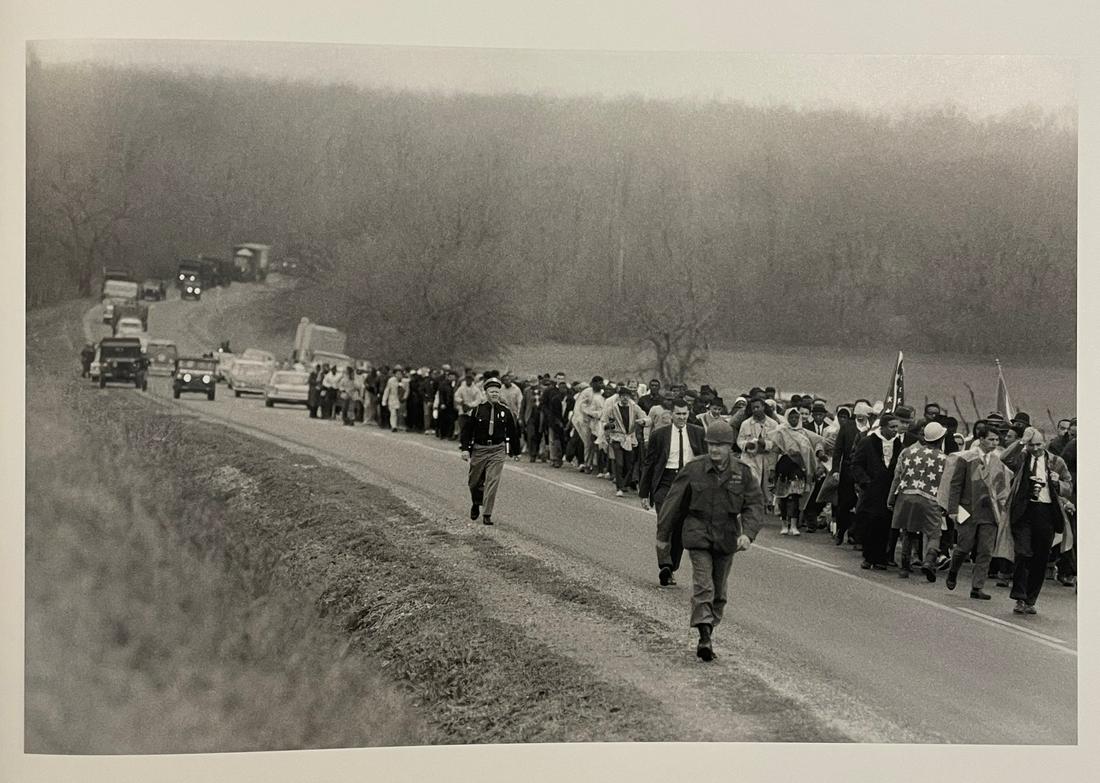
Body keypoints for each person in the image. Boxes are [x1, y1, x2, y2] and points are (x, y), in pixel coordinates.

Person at [656, 420, 765, 661]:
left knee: (719, 591)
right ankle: (704, 637)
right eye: (711, 445)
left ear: (730, 447)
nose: (715, 450)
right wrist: (663, 537)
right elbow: (673, 504)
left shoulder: (742, 473)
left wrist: (748, 534)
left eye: (720, 445)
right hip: (697, 531)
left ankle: (710, 626)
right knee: (703, 585)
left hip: (727, 535)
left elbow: (754, 505)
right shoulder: (693, 469)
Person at [1000, 427, 1074, 615]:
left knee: (1040, 558)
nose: (1035, 448)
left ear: (1045, 442)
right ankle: (1019, 596)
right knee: (1023, 553)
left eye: (1039, 444)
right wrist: (1021, 441)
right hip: (1024, 511)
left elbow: (1068, 486)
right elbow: (1004, 458)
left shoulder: (1056, 462)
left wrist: (1058, 483)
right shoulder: (1022, 458)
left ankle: (1031, 599)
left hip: (1046, 512)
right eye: (1032, 445)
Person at [639, 400, 706, 587]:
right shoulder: (659, 435)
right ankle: (665, 564)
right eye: (678, 414)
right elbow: (649, 463)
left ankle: (672, 567)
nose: (682, 417)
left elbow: (706, 462)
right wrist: (644, 493)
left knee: (681, 528)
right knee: (665, 523)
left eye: (685, 414)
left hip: (689, 483)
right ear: (671, 415)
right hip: (665, 483)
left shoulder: (698, 433)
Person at [943, 423, 1011, 599]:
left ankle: (977, 587)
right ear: (980, 439)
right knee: (964, 546)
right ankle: (953, 569)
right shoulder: (966, 458)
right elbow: (956, 484)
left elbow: (1001, 486)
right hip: (968, 508)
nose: (994, 443)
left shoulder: (997, 460)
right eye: (990, 439)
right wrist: (953, 508)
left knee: (985, 550)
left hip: (989, 512)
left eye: (997, 440)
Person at [888, 422, 951, 581]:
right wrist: (946, 504)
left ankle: (904, 567)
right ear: (940, 438)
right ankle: (929, 561)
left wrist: (891, 498)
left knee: (908, 530)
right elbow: (947, 484)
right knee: (934, 534)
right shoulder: (944, 459)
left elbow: (897, 476)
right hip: (930, 498)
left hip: (906, 495)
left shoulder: (907, 452)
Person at [460, 377, 522, 526]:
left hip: (497, 450)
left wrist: (516, 451)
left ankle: (487, 513)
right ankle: (476, 502)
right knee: (474, 482)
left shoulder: (505, 411)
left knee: (492, 481)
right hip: (479, 449)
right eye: (491, 391)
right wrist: (465, 449)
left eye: (497, 391)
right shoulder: (476, 411)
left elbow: (513, 432)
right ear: (486, 392)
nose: (494, 394)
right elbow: (466, 432)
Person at [851, 411, 901, 570]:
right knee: (870, 521)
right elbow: (856, 463)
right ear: (883, 427)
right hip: (872, 490)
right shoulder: (868, 442)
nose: (895, 430)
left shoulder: (899, 445)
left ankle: (881, 557)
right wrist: (865, 481)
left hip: (889, 490)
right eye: (892, 427)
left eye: (897, 427)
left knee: (885, 524)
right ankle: (868, 555)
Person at [770, 406, 828, 535]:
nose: (794, 419)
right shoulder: (781, 432)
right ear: (787, 417)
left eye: (797, 417)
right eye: (791, 417)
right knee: (783, 496)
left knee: (795, 496)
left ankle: (794, 525)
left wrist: (819, 453)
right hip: (784, 466)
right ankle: (784, 523)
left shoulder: (804, 432)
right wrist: (772, 468)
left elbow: (819, 440)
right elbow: (775, 451)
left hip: (798, 468)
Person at [600, 385, 646, 497]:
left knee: (629, 464)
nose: (625, 398)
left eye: (627, 396)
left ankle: (624, 483)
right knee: (619, 463)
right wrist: (608, 427)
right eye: (623, 396)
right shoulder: (612, 408)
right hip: (617, 438)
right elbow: (604, 421)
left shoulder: (634, 407)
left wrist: (642, 421)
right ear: (619, 397)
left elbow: (645, 417)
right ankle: (619, 487)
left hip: (630, 438)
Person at [736, 396, 779, 508]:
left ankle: (763, 507)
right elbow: (739, 440)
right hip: (749, 458)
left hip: (765, 459)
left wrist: (765, 444)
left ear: (763, 407)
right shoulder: (745, 423)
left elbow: (776, 444)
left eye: (757, 407)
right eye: (753, 408)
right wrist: (746, 445)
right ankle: (749, 506)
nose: (755, 410)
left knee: (765, 487)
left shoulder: (773, 424)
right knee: (751, 482)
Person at [571, 376, 606, 474]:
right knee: (588, 442)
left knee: (597, 442)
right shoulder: (587, 392)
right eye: (598, 383)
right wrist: (595, 414)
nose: (600, 385)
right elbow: (582, 407)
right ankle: (587, 464)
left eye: (601, 383)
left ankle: (594, 464)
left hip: (594, 421)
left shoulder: (601, 393)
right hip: (583, 420)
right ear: (593, 383)